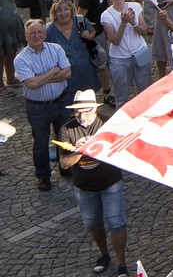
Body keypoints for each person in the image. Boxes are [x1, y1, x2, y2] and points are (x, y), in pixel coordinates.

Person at [58, 89, 130, 277]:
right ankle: (104, 255)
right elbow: (64, 163)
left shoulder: (108, 123)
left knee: (116, 223)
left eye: (85, 111)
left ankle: (121, 263)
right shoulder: (67, 129)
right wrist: (81, 151)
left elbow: (122, 150)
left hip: (110, 182)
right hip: (84, 186)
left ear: (95, 109)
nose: (81, 116)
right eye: (77, 112)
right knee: (92, 223)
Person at [16, 16, 71, 190]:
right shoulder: (20, 59)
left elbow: (68, 73)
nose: (37, 35)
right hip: (37, 108)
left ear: (45, 34)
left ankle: (66, 167)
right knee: (40, 143)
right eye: (33, 33)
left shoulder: (56, 49)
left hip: (61, 101)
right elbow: (31, 84)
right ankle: (43, 176)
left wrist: (41, 78)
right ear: (26, 36)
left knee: (64, 137)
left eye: (40, 32)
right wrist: (55, 70)